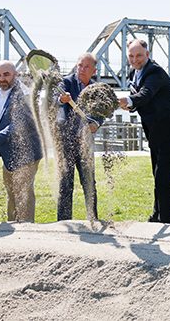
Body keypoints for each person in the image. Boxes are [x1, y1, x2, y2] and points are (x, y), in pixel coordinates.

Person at [118, 39, 170, 224]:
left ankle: (165, 220)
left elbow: (146, 94)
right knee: (157, 175)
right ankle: (156, 214)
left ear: (147, 55)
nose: (135, 59)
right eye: (131, 56)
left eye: (139, 55)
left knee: (163, 178)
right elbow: (143, 101)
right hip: (155, 130)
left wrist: (129, 101)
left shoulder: (155, 72)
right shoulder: (134, 72)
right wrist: (130, 106)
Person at [0, 61, 43, 222]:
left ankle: (27, 230)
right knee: (12, 193)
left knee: (23, 194)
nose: (2, 79)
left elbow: (18, 125)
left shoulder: (24, 94)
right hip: (9, 153)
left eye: (6, 75)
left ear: (15, 75)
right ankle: (13, 228)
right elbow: (0, 119)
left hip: (26, 152)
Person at [57, 52, 103, 221]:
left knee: (89, 182)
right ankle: (63, 222)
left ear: (94, 70)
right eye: (79, 66)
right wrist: (62, 99)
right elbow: (56, 98)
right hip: (66, 141)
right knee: (66, 183)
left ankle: (93, 220)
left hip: (85, 143)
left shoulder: (97, 89)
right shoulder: (66, 83)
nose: (82, 69)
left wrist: (96, 123)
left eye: (86, 67)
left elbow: (102, 112)